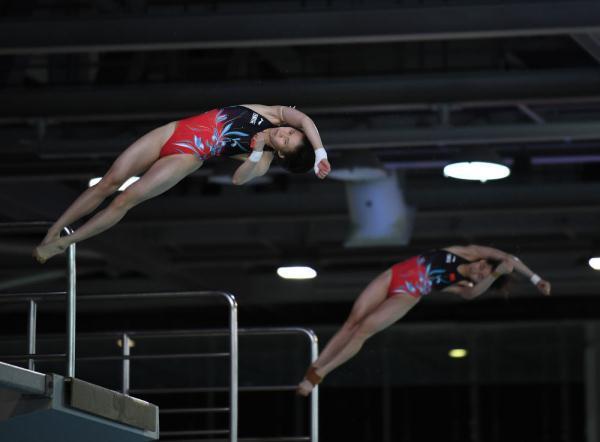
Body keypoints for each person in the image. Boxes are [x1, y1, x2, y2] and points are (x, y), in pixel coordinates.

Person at [33, 104, 331, 263]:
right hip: (172, 131)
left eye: (287, 141)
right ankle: (53, 230)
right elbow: (304, 118)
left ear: (280, 153)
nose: (285, 134)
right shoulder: (274, 113)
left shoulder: (262, 160)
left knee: (126, 199)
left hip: (188, 156)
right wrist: (320, 152)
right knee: (109, 182)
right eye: (291, 133)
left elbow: (239, 180)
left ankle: (66, 243)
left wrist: (255, 148)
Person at [296, 244, 551, 396]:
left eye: (483, 273)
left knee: (364, 330)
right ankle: (316, 366)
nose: (479, 270)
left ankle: (320, 374)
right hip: (394, 274)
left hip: (407, 295)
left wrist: (494, 275)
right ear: (482, 259)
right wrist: (535, 278)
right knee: (352, 321)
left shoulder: (465, 284)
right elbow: (510, 259)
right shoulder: (468, 251)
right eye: (484, 266)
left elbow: (471, 295)